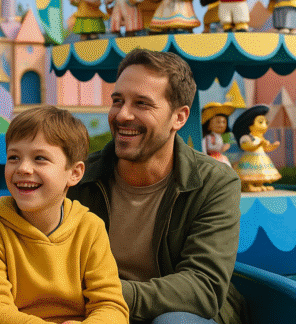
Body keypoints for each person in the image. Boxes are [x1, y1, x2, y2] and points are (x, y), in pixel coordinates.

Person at [68, 49, 247, 324]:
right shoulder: (78, 177)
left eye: (142, 104)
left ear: (179, 117)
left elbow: (203, 287)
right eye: (118, 101)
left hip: (178, 315)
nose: (122, 115)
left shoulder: (214, 182)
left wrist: (105, 296)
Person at [0, 106, 129, 324]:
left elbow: (111, 306)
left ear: (74, 173)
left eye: (40, 158)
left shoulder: (90, 227)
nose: (23, 168)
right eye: (14, 157)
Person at [232, 105, 281, 192]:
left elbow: (266, 148)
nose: (265, 126)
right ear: (249, 125)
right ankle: (248, 185)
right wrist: (258, 145)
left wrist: (273, 146)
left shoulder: (260, 138)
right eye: (260, 122)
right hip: (250, 158)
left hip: (261, 158)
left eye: (266, 123)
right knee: (249, 173)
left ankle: (259, 184)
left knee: (260, 173)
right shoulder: (246, 137)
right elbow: (246, 146)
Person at [201, 102, 235, 167]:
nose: (221, 125)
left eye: (224, 122)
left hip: (219, 157)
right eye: (218, 122)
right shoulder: (209, 137)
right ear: (208, 125)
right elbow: (205, 148)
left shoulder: (220, 137)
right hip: (211, 158)